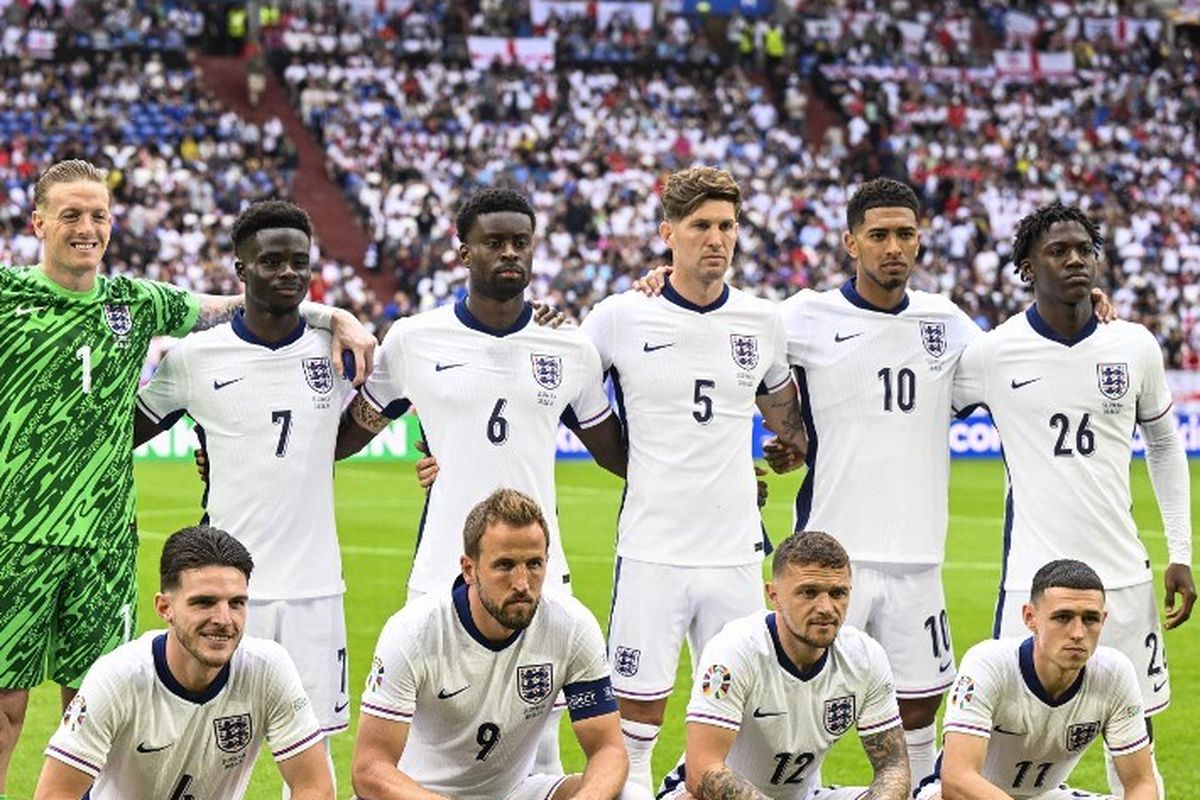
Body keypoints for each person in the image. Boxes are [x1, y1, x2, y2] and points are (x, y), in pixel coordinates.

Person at [0, 159, 373, 798]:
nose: (86, 228)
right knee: (6, 711)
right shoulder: (6, 296)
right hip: (15, 539)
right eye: (70, 215)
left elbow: (237, 302)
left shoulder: (134, 301)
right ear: (38, 222)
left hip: (105, 542)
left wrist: (332, 314)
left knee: (94, 711)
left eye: (98, 216)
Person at [337, 186, 626, 771]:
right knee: (423, 755)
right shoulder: (414, 339)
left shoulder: (567, 346)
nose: (509, 253)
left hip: (539, 576)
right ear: (463, 251)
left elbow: (619, 454)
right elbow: (347, 434)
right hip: (442, 569)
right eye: (493, 242)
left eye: (521, 242)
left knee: (540, 758)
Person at [951, 202, 1194, 796]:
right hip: (1029, 584)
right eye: (1057, 251)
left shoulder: (1133, 345)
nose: (1075, 260)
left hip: (1123, 580)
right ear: (1027, 268)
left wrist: (1181, 551)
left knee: (1136, 741)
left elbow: (1165, 446)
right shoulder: (992, 352)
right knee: (1004, 737)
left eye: (1084, 249)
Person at [579, 165, 807, 790]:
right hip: (653, 547)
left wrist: (792, 448)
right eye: (702, 225)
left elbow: (788, 421)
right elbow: (558, 382)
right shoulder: (621, 316)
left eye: (727, 225)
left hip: (734, 550)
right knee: (635, 720)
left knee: (739, 718)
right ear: (668, 233)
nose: (717, 238)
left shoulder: (762, 321)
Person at [133, 200, 355, 788]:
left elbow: (374, 416)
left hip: (315, 589)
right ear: (241, 269)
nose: (287, 272)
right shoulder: (194, 358)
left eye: (299, 262)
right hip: (225, 591)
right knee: (199, 748)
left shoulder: (333, 353)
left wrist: (339, 320)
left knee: (310, 763)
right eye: (271, 261)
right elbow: (126, 430)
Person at [351, 488, 652, 800]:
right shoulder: (413, 632)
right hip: (420, 794)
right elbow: (370, 769)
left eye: (534, 564)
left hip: (515, 793)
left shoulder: (572, 626)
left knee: (631, 797)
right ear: (469, 569)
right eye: (505, 565)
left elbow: (608, 749)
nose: (522, 583)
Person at [33, 524, 334, 800]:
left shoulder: (267, 668)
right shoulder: (118, 676)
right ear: (165, 608)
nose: (224, 620)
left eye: (236, 603)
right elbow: (55, 794)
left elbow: (313, 786)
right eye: (204, 602)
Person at [658, 530, 910, 800]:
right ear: (773, 595)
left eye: (838, 593)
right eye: (808, 593)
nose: (826, 607)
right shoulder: (736, 650)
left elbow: (893, 767)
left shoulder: (864, 657)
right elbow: (703, 771)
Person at [916, 559, 1156, 800]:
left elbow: (1141, 784)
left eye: (1090, 619)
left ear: (1103, 620)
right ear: (1030, 617)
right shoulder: (989, 663)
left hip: (1045, 794)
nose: (1077, 633)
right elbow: (958, 779)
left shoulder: (1115, 673)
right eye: (1063, 617)